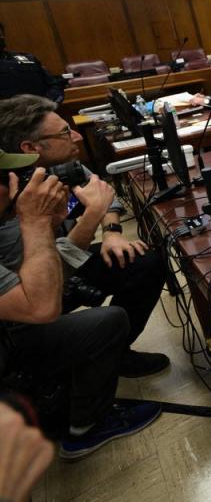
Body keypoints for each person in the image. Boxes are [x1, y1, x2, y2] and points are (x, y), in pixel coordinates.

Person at [0, 150, 162, 459]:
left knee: (139, 263)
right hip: (13, 340)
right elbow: (43, 306)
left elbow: (49, 278)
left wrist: (49, 227)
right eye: (5, 179)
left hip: (13, 327)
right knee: (107, 321)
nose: (14, 184)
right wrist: (34, 222)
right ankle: (85, 429)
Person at [0, 95, 169, 377]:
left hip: (56, 264)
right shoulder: (9, 197)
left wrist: (112, 231)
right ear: (30, 147)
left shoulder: (60, 167)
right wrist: (88, 218)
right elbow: (41, 283)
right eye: (65, 132)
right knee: (107, 320)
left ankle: (116, 354)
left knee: (143, 261)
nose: (77, 136)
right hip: (26, 298)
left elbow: (102, 194)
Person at [0, 23, 64, 105]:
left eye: (1, 34)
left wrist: (48, 103)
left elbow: (54, 84)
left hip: (42, 111)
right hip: (7, 115)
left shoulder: (29, 59)